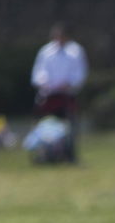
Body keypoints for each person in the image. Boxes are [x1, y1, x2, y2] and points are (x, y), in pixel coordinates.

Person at [30, 23, 87, 162]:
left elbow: (80, 73)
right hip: (48, 95)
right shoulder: (45, 51)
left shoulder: (75, 51)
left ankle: (69, 153)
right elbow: (38, 73)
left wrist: (69, 84)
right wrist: (45, 83)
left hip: (67, 95)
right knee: (45, 125)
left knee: (69, 126)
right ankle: (45, 154)